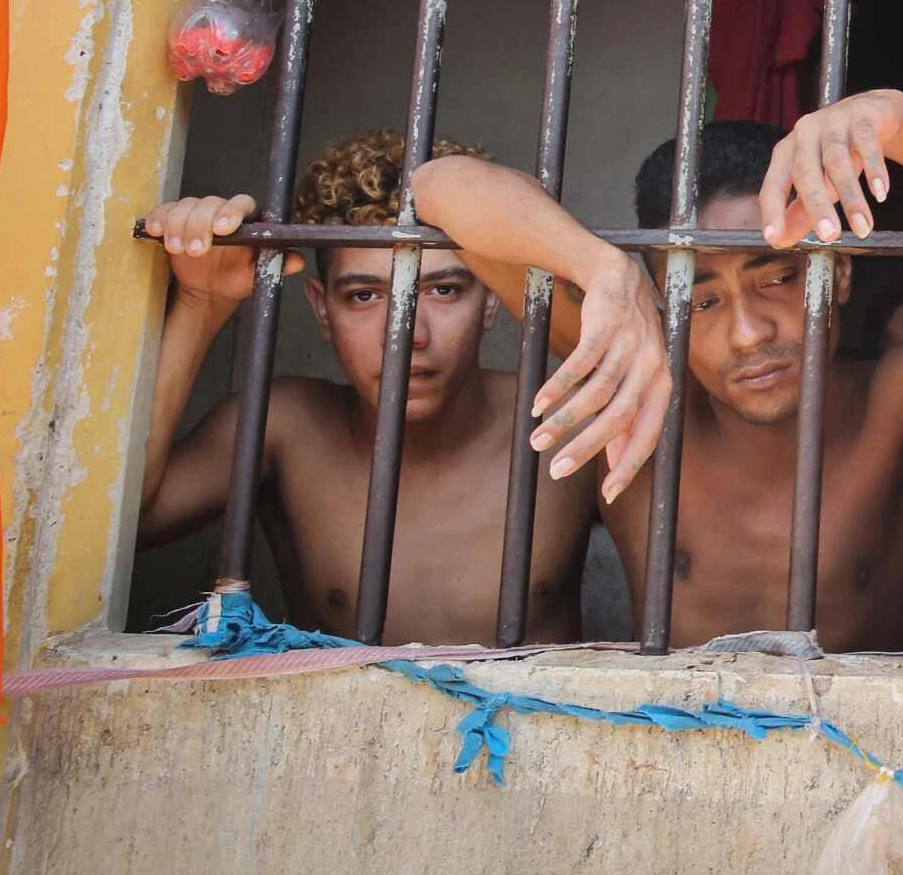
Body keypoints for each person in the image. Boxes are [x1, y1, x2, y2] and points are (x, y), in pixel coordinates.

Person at [411, 92, 903, 651]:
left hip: (869, 773)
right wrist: (598, 267)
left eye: (778, 278)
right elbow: (436, 188)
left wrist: (897, 120)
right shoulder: (638, 393)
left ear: (840, 274)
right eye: (701, 299)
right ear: (663, 301)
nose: (749, 333)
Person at [139, 131, 595, 644]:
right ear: (321, 308)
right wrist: (203, 302)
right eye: (363, 296)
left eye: (443, 290)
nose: (407, 333)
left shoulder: (565, 420)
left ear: (491, 301)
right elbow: (128, 523)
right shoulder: (286, 427)